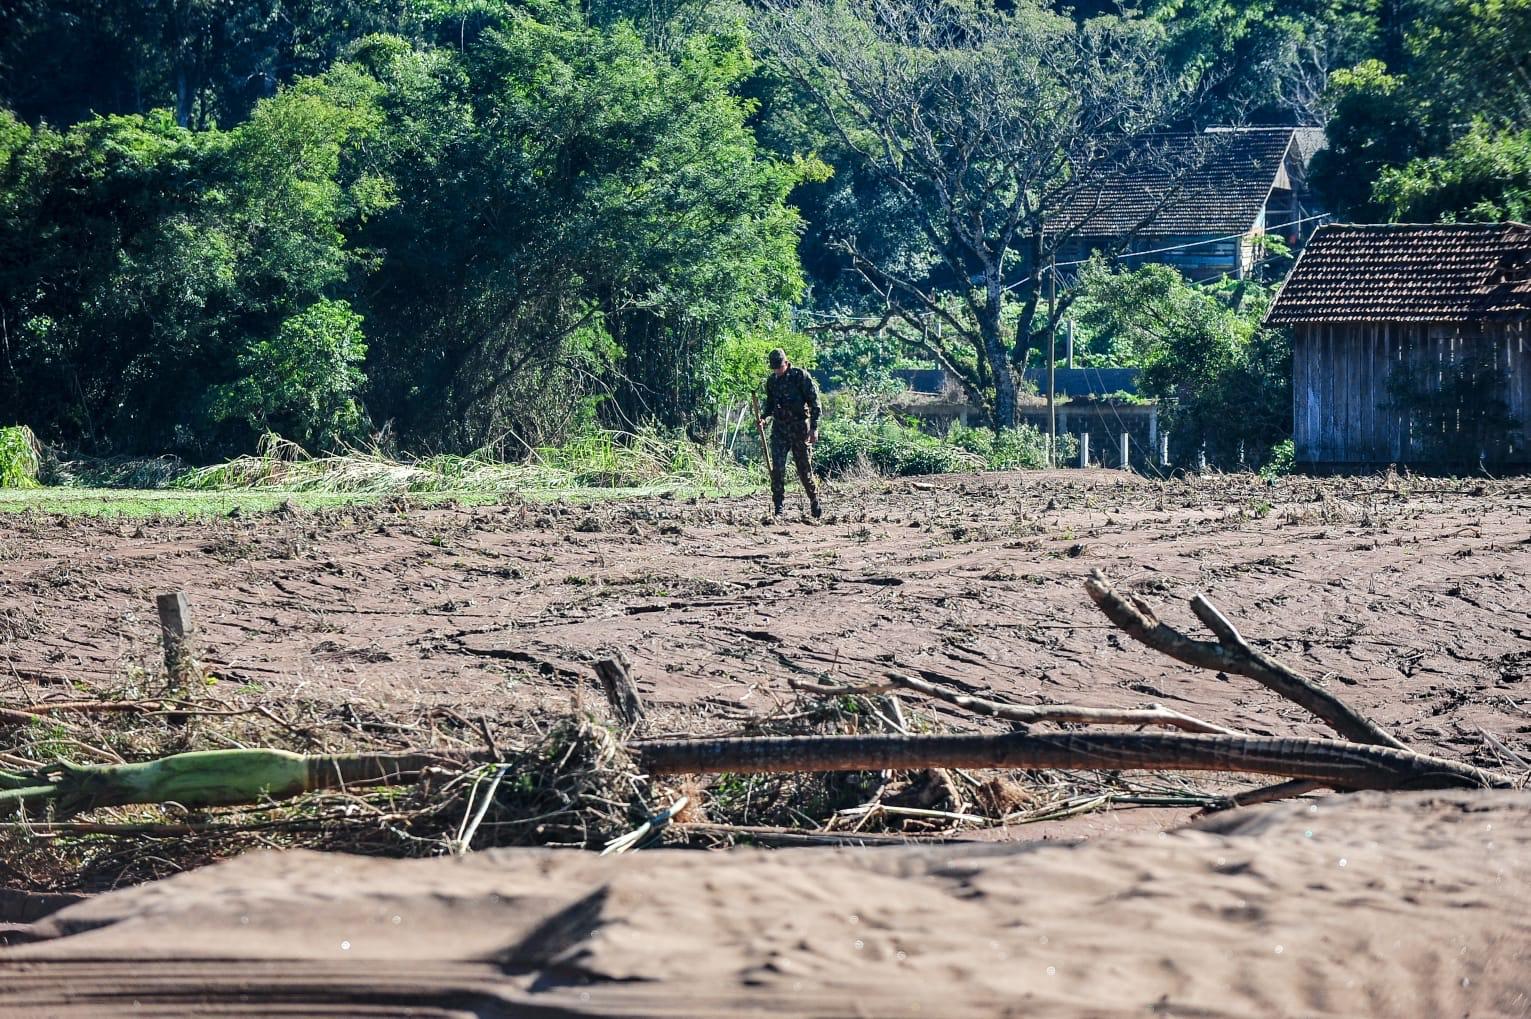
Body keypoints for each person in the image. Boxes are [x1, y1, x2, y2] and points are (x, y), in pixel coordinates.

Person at [758, 347, 822, 517]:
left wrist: (814, 428)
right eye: (774, 368)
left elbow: (815, 403)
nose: (777, 371)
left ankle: (814, 500)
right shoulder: (772, 382)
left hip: (799, 429)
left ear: (786, 363)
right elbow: (770, 405)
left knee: (804, 470)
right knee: (777, 469)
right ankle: (778, 507)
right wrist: (764, 418)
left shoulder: (800, 376)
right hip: (780, 430)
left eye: (779, 367)